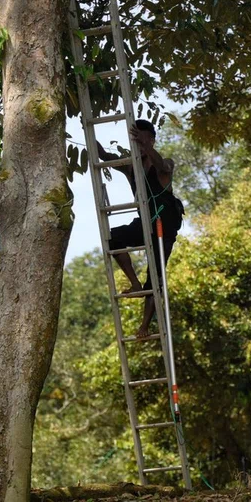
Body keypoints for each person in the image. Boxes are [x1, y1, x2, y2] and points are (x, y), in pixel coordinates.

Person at [96, 120, 184, 339]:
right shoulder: (131, 167)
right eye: (136, 141)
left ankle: (144, 326)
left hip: (164, 225)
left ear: (152, 140)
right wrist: (86, 134)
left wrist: (147, 146)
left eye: (144, 141)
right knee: (113, 238)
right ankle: (134, 284)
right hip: (144, 223)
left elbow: (163, 166)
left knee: (155, 278)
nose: (140, 146)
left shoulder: (164, 164)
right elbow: (104, 156)